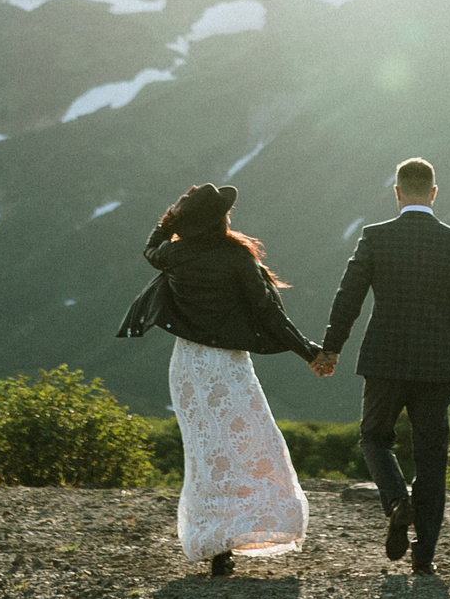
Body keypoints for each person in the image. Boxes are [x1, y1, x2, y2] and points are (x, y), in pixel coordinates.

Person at [312, 157, 450, 577]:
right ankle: (425, 556)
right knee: (431, 454)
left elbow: (349, 296)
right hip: (438, 366)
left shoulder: (375, 238)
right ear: (434, 194)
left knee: (374, 437)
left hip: (384, 359)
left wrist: (331, 348)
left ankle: (398, 502)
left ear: (396, 193)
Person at [123, 182, 320, 577]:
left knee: (205, 455)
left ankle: (215, 544)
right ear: (221, 220)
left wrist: (170, 215)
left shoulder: (174, 255)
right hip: (226, 366)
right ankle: (244, 528)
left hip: (188, 367)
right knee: (249, 444)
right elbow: (269, 315)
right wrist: (310, 352)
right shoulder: (237, 259)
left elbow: (150, 247)